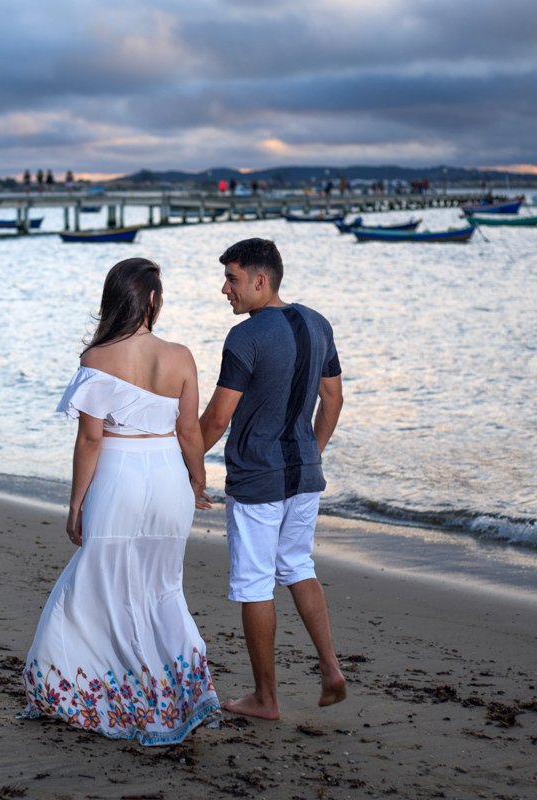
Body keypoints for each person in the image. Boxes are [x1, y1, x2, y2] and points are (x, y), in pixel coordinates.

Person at [21, 258, 222, 746]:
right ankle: (179, 697)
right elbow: (189, 431)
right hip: (168, 476)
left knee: (99, 587)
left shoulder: (97, 359)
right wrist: (196, 481)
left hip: (118, 475)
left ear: (116, 299)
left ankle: (87, 694)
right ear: (153, 299)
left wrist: (75, 504)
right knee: (160, 588)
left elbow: (90, 441)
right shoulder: (180, 356)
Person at [198, 237, 347, 720]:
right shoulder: (318, 323)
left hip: (258, 480)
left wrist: (187, 464)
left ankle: (265, 699)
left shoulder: (246, 337)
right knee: (298, 565)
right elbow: (334, 400)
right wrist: (310, 455)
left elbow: (218, 419)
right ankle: (330, 668)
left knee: (254, 583)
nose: (225, 290)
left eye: (233, 279)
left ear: (261, 281)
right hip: (304, 476)